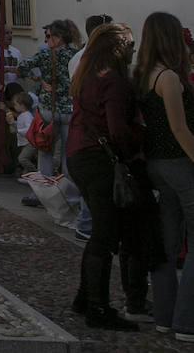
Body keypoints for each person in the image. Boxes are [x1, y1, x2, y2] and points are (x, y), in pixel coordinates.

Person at [67, 22, 142, 332]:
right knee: (104, 235)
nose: (134, 52)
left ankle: (86, 298)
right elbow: (117, 128)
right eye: (131, 47)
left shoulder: (87, 76)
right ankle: (98, 307)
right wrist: (136, 146)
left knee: (101, 232)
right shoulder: (112, 80)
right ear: (119, 50)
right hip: (99, 159)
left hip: (79, 155)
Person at [136, 12, 194, 339]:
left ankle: (165, 316)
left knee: (166, 245)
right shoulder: (168, 77)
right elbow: (179, 127)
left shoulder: (142, 74)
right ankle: (186, 322)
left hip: (156, 164)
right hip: (178, 162)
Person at [27, 19, 83, 212]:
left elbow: (23, 67)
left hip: (49, 109)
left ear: (59, 38)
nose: (47, 39)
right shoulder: (75, 55)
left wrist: (40, 79)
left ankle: (43, 194)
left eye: (49, 36)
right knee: (68, 153)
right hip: (69, 108)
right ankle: (69, 194)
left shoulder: (45, 54)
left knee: (45, 152)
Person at [9, 89, 38, 174]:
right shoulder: (23, 115)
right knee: (25, 158)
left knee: (22, 158)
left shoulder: (27, 116)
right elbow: (20, 125)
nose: (14, 106)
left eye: (15, 104)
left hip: (29, 143)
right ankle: (27, 175)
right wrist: (13, 123)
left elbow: (29, 129)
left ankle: (34, 172)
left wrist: (17, 130)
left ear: (22, 105)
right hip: (25, 142)